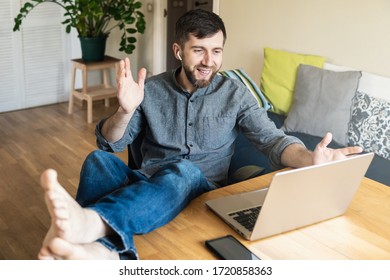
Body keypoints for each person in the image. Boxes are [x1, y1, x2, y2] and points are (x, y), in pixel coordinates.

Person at [38, 9, 362, 260]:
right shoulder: (150, 90)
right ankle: (99, 251)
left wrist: (310, 158)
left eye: (217, 51)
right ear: (179, 50)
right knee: (97, 161)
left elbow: (273, 139)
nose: (210, 61)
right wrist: (124, 110)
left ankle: (88, 229)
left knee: (181, 170)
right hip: (148, 182)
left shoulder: (235, 94)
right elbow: (110, 142)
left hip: (199, 186)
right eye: (199, 50)